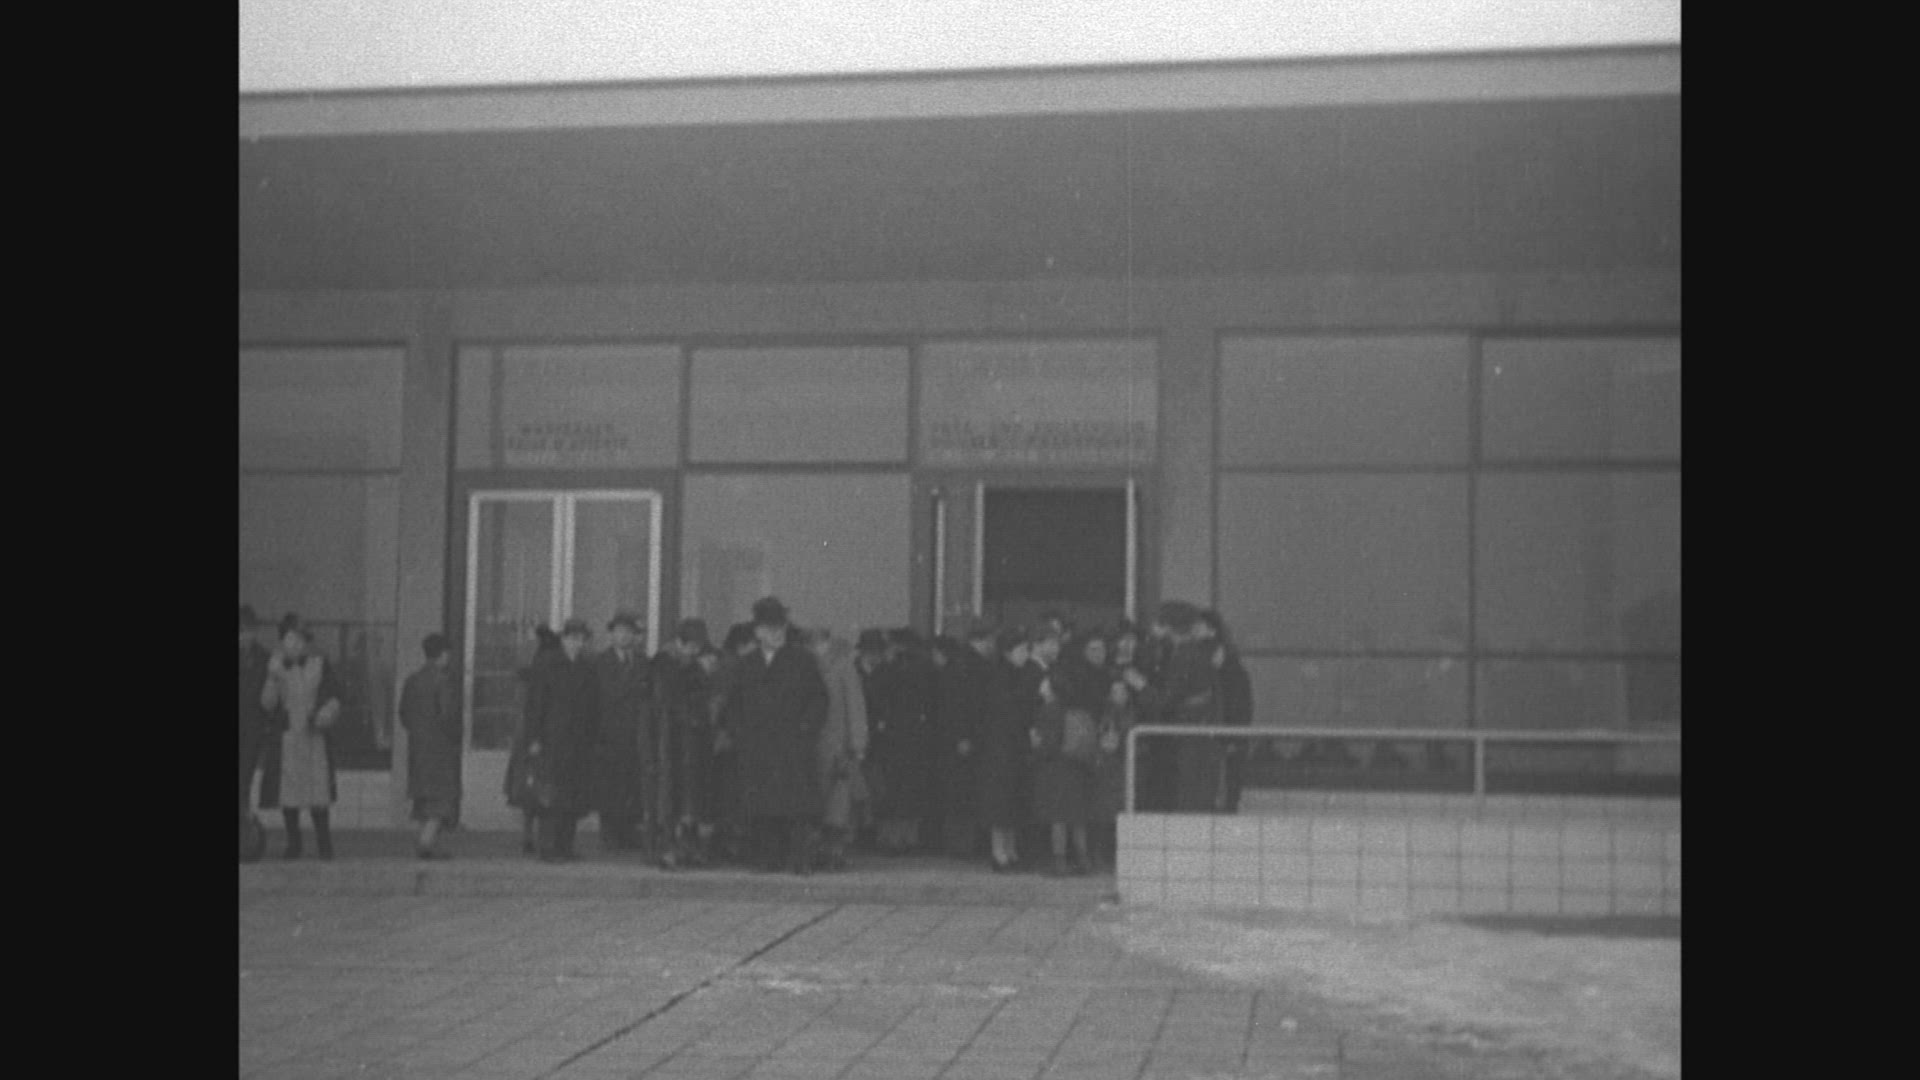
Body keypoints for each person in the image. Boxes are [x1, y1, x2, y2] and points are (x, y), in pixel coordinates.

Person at [727, 597, 830, 875]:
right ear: (758, 631)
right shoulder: (747, 664)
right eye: (770, 628)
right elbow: (733, 704)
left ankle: (799, 859)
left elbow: (819, 700)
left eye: (781, 627)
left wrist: (806, 730)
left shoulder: (802, 661)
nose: (777, 633)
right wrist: (741, 735)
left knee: (797, 807)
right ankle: (767, 858)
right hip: (758, 747)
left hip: (792, 744)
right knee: (763, 807)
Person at [259, 617, 345, 860]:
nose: (296, 644)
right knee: (289, 792)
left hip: (314, 734)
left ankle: (324, 844)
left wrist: (327, 711)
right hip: (288, 736)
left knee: (318, 791)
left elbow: (335, 694)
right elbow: (267, 704)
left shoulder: (320, 663)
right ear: (282, 641)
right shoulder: (275, 666)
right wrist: (272, 678)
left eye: (300, 639)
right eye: (290, 639)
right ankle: (293, 843)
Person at [1138, 602, 1225, 813]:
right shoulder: (1200, 652)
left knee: (1189, 796)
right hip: (1203, 730)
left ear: (1168, 627)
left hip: (1191, 734)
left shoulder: (1183, 655)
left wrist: (1142, 687)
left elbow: (1166, 700)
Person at [526, 618, 600, 862]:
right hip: (552, 738)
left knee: (573, 794)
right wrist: (535, 737)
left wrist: (591, 736)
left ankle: (565, 846)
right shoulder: (548, 664)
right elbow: (536, 703)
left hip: (578, 740)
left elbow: (592, 705)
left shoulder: (586, 667)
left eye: (582, 639)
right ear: (564, 639)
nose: (577, 643)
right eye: (573, 638)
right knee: (551, 794)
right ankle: (548, 847)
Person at [1030, 631, 1102, 875]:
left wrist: (1036, 747)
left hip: (1056, 768)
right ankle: (1083, 860)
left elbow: (1048, 744)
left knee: (1058, 817)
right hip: (1076, 766)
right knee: (1077, 817)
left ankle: (1059, 861)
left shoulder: (1048, 710)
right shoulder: (1074, 709)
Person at [653, 618, 721, 867]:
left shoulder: (695, 665)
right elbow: (669, 694)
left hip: (695, 738)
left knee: (694, 793)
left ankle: (689, 846)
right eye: (691, 646)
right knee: (673, 792)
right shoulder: (665, 662)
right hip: (672, 737)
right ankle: (670, 847)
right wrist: (697, 671)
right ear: (680, 643)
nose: (694, 652)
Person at [805, 627, 869, 871]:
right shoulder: (811, 666)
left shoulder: (843, 667)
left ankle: (834, 851)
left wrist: (858, 743)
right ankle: (822, 850)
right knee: (819, 801)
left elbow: (855, 706)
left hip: (837, 745)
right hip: (815, 743)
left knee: (838, 802)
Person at [591, 612, 653, 854]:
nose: (625, 636)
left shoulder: (643, 662)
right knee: (610, 785)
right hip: (608, 734)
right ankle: (610, 833)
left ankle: (629, 832)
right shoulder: (600, 662)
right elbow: (599, 698)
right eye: (620, 631)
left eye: (629, 632)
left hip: (636, 733)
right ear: (611, 634)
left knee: (632, 784)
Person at [398, 632, 461, 859]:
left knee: (424, 799)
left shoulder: (412, 681)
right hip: (440, 747)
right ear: (443, 654)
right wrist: (454, 736)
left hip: (418, 746)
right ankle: (426, 842)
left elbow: (403, 714)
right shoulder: (443, 681)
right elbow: (448, 715)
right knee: (442, 798)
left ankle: (431, 842)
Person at [975, 626, 1031, 872]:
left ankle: (1009, 849)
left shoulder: (1014, 674)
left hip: (1010, 746)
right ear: (1008, 652)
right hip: (1000, 747)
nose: (1025, 654)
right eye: (1022, 649)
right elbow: (1005, 711)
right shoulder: (999, 677)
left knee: (1011, 800)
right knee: (1001, 801)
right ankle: (999, 851)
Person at [928, 631, 985, 858]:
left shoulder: (950, 675)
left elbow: (955, 709)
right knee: (962, 793)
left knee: (956, 793)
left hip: (953, 741)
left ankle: (957, 844)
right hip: (958, 741)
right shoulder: (961, 672)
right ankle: (962, 844)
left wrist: (961, 736)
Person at [506, 626, 562, 855]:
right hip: (542, 737)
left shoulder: (527, 676)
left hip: (525, 737)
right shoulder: (551, 673)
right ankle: (541, 836)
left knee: (528, 786)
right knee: (544, 787)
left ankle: (528, 834)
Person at [1202, 611, 1255, 813]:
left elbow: (1240, 707)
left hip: (1227, 741)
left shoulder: (1231, 673)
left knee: (1225, 795)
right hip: (1222, 741)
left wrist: (1234, 738)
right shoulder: (1227, 671)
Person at [240, 606, 272, 835]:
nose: (244, 636)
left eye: (247, 630)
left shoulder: (264, 658)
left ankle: (244, 822)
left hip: (252, 727)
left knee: (245, 776)